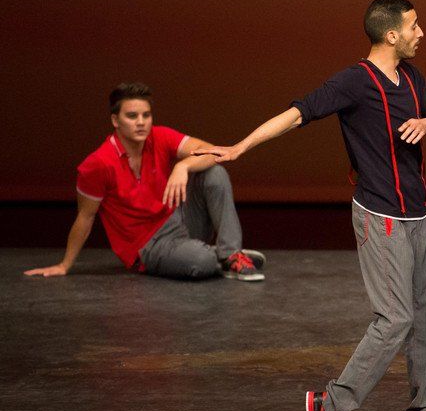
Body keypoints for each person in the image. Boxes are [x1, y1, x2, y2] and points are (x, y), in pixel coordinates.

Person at [193, 0, 426, 411]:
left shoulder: (413, 77)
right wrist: (240, 147)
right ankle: (329, 406)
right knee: (396, 319)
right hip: (380, 217)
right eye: (414, 26)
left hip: (418, 218)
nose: (421, 33)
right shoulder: (355, 81)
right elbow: (298, 113)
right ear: (391, 34)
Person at [24, 83, 265, 281]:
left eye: (146, 115)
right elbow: (85, 217)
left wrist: (182, 166)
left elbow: (213, 151)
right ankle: (215, 256)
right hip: (149, 244)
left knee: (214, 173)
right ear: (115, 120)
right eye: (132, 116)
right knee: (201, 262)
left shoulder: (159, 136)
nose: (141, 122)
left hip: (179, 219)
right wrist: (65, 265)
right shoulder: (97, 164)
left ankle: (230, 254)